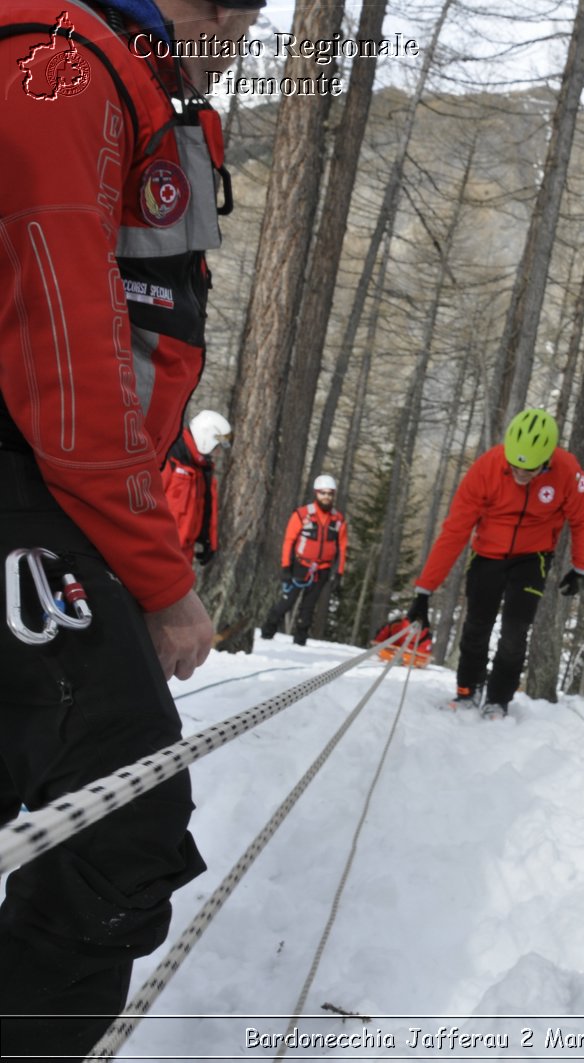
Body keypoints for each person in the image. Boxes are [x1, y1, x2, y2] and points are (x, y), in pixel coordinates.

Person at [0, 0, 260, 1054]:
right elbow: (66, 357)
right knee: (123, 823)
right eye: (234, 22)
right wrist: (160, 579)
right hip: (32, 485)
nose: (238, 49)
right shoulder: (61, 74)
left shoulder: (142, 92)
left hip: (54, 495)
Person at [406, 409, 584, 720]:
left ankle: (498, 698)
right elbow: (455, 531)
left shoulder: (568, 472)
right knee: (477, 626)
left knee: (514, 632)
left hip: (533, 557)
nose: (520, 475)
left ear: (547, 459)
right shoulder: (487, 468)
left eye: (529, 470)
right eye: (515, 467)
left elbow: (582, 520)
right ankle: (467, 690)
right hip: (488, 553)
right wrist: (424, 590)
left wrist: (580, 566)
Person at [261, 475, 348, 646]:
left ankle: (300, 640)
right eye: (323, 493)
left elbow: (343, 548)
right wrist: (286, 567)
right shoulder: (302, 514)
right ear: (316, 493)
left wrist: (339, 573)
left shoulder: (338, 520)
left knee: (309, 606)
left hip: (322, 569)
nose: (326, 497)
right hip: (300, 566)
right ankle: (267, 632)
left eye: (330, 494)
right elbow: (288, 541)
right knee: (287, 601)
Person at [161, 409, 230, 566]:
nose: (217, 454)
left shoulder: (201, 470)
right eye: (216, 447)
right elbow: (142, 505)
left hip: (182, 556)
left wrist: (209, 541)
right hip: (158, 553)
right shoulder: (170, 457)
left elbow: (207, 509)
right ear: (207, 439)